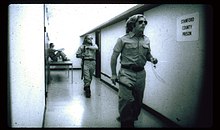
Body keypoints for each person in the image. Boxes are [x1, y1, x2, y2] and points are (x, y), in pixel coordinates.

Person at [110, 14, 158, 128]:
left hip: (141, 74)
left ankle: (128, 117)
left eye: (145, 22)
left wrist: (151, 59)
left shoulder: (146, 39)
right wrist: (113, 74)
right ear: (133, 24)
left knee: (138, 101)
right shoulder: (123, 39)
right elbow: (114, 57)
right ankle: (126, 122)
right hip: (126, 73)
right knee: (126, 100)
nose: (143, 24)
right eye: (140, 22)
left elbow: (148, 54)